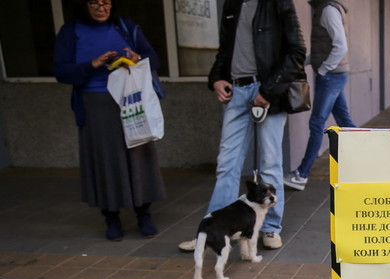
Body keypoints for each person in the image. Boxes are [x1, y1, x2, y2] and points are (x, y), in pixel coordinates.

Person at [178, 0, 305, 252]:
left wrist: (268, 91)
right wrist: (216, 78)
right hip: (236, 92)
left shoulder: (278, 3)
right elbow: (225, 50)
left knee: (270, 164)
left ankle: (270, 228)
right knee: (227, 165)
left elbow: (297, 52)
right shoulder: (232, 4)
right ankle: (214, 231)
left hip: (267, 92)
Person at [53, 0, 166, 241]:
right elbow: (61, 72)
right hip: (95, 104)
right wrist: (93, 64)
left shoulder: (125, 26)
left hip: (130, 100)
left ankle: (144, 214)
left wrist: (136, 58)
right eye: (94, 2)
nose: (101, 8)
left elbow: (153, 58)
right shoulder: (70, 31)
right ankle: (111, 218)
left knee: (138, 155)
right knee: (105, 161)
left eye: (106, 2)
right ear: (84, 5)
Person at [284, 0, 355, 192]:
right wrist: (304, 61)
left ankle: (301, 174)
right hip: (334, 74)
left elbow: (340, 46)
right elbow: (324, 48)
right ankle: (365, 166)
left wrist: (323, 70)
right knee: (345, 122)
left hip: (331, 75)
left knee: (317, 123)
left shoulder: (328, 10)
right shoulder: (325, 9)